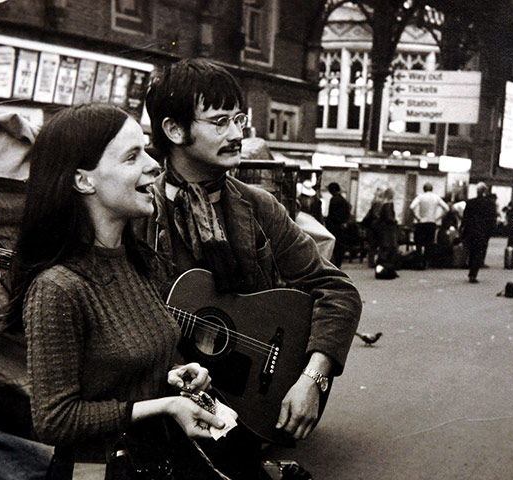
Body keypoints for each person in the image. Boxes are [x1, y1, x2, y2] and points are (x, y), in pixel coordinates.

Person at [143, 58, 361, 479]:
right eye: (220, 121)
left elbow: (337, 290)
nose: (237, 133)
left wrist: (312, 379)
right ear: (174, 130)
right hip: (165, 416)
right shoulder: (140, 209)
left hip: (245, 408)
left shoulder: (257, 205)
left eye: (239, 118)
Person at [7, 104, 229, 479]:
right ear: (83, 181)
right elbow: (54, 420)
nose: (154, 164)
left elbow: (128, 367)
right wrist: (163, 407)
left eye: (145, 149)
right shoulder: (57, 289)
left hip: (156, 462)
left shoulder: (139, 262)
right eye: (131, 156)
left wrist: (174, 374)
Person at [460, 182, 497, 283]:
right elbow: (492, 219)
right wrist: (492, 231)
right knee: (478, 252)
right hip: (483, 231)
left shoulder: (470, 202)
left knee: (472, 251)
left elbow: (465, 217)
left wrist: (462, 229)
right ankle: (473, 273)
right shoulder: (490, 204)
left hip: (471, 230)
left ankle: (471, 268)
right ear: (485, 191)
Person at [409, 182, 449, 264]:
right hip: (432, 222)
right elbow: (446, 208)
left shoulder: (420, 197)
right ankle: (426, 261)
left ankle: (419, 260)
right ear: (432, 189)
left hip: (422, 222)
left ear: (424, 189)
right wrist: (438, 217)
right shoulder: (436, 197)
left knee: (419, 242)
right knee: (429, 242)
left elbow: (411, 207)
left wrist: (417, 217)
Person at [325, 182, 352, 267]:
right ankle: (338, 263)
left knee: (335, 246)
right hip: (341, 227)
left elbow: (331, 215)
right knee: (340, 246)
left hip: (334, 226)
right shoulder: (343, 200)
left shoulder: (334, 199)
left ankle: (335, 263)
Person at [375, 188, 399, 269]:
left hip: (383, 228)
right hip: (388, 229)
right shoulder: (388, 204)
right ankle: (387, 265)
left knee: (384, 246)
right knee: (389, 246)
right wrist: (395, 221)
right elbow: (389, 218)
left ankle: (381, 263)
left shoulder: (382, 203)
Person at [361, 187, 384, 267]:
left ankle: (371, 261)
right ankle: (373, 262)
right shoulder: (379, 203)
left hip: (371, 226)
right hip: (376, 226)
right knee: (376, 244)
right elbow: (376, 215)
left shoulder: (374, 202)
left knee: (372, 244)